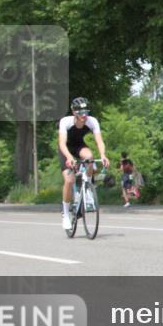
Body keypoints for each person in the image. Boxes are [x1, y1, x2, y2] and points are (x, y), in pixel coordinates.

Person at [58, 97, 110, 230]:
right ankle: (65, 214)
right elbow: (62, 143)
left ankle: (87, 187)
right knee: (69, 181)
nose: (84, 115)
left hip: (79, 146)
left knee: (90, 157)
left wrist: (103, 155)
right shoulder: (65, 121)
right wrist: (69, 157)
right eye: (80, 112)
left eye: (86, 111)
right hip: (66, 150)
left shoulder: (92, 121)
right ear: (73, 112)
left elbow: (99, 141)